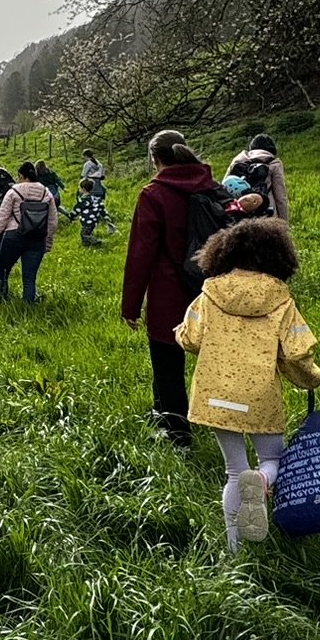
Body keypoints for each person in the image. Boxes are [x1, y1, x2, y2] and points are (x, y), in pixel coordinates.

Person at [175, 218, 320, 553]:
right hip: (259, 395)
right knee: (271, 458)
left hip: (215, 394)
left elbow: (191, 339)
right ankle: (262, 480)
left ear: (224, 253)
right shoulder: (281, 300)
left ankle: (234, 550)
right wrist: (313, 380)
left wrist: (179, 334)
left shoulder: (210, 293)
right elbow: (296, 354)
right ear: (278, 257)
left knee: (233, 470)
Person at [120, 130, 221, 447]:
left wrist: (130, 305)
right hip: (211, 289)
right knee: (212, 361)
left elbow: (141, 253)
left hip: (169, 289)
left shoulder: (153, 194)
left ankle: (177, 433)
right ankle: (181, 414)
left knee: (166, 361)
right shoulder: (212, 186)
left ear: (154, 159)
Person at [0, 161, 59, 302]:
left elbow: (1, 219)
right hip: (37, 239)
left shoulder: (14, 192)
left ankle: (2, 301)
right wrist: (48, 241)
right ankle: (28, 306)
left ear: (21, 175)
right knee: (29, 278)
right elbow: (52, 221)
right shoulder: (46, 193)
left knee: (2, 270)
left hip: (14, 236)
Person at [226, 134, 289, 223]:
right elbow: (280, 197)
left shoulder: (238, 160)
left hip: (239, 212)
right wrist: (284, 223)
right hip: (267, 215)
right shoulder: (274, 163)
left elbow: (224, 185)